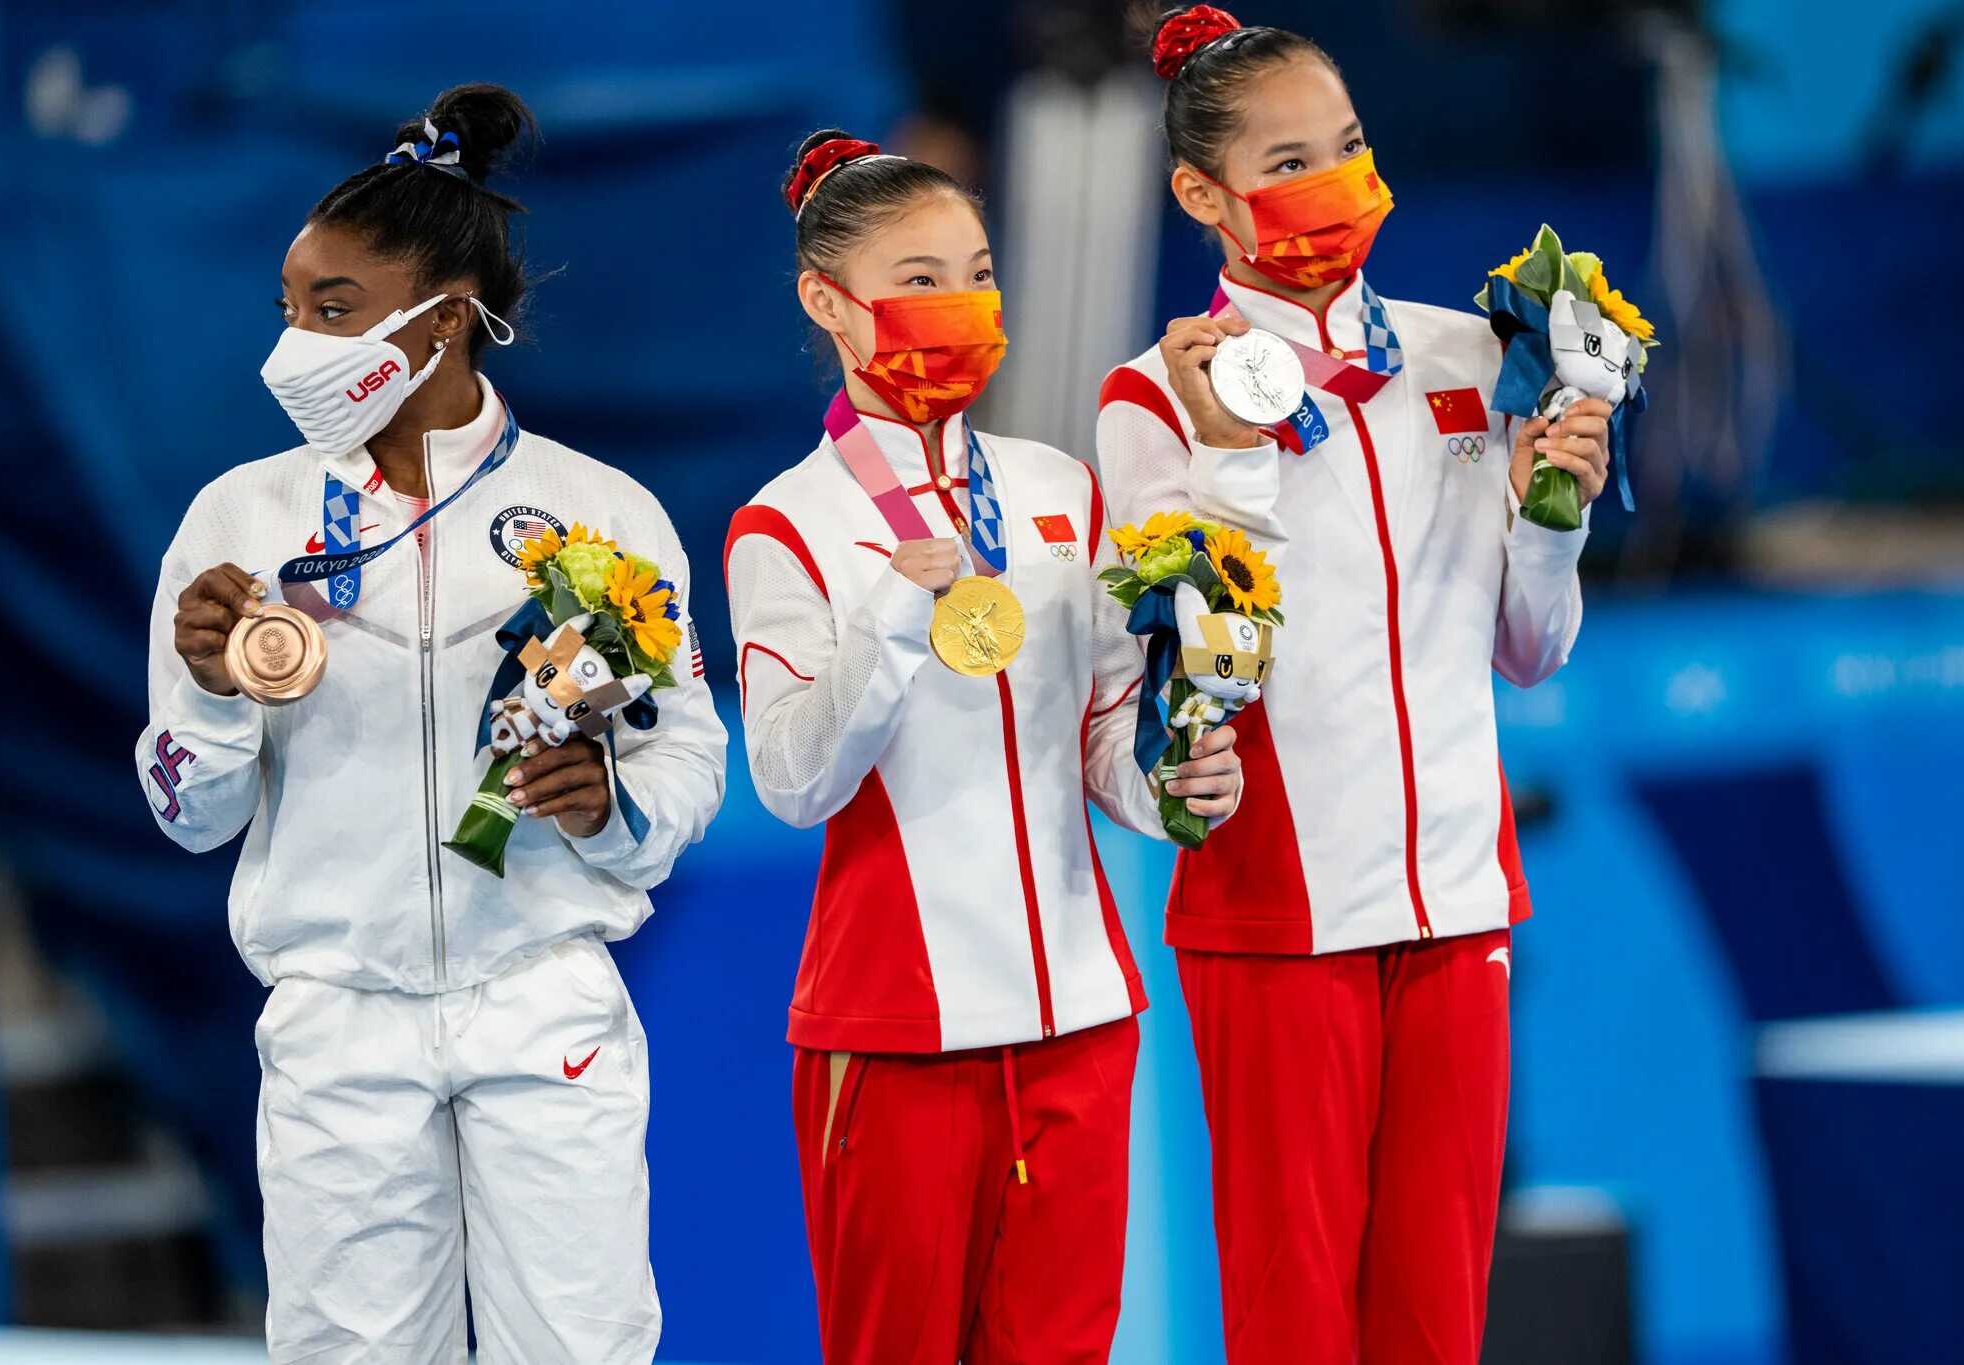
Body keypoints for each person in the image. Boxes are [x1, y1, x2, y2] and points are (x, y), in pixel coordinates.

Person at [135, 84, 726, 1363]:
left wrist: (611, 807)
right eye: (288, 310)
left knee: (582, 1346)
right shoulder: (237, 521)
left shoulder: (598, 512)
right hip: (337, 1012)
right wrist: (215, 699)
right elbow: (185, 816)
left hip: (540, 996)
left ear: (446, 318)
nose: (295, 344)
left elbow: (687, 753)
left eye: (332, 310)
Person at [1096, 8, 1614, 1362]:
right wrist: (1232, 454)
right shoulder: (1153, 397)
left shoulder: (1463, 357)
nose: (1332, 182)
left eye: (1350, 146)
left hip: (1456, 897)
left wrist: (1554, 514)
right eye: (1286, 163)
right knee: (1295, 1319)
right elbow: (1209, 665)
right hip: (1277, 909)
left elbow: (1529, 649)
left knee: (1438, 1318)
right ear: (1201, 197)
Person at [724, 130, 1244, 1365]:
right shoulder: (784, 525)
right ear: (826, 304)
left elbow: (1105, 731)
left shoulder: (1059, 486)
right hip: (896, 1030)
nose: (956, 306)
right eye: (916, 280)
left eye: (975, 271)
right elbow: (794, 784)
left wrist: (1174, 784)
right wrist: (899, 611)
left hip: (1077, 1016)